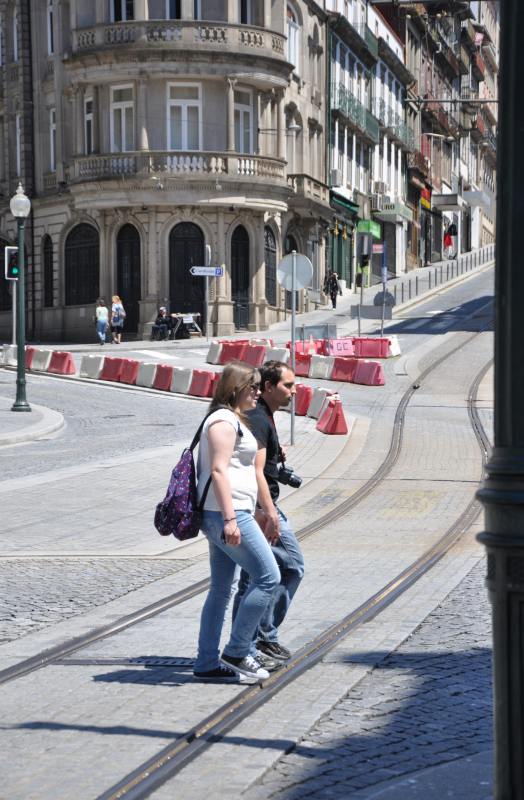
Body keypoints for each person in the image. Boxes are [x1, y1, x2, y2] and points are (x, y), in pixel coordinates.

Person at [194, 362, 281, 682]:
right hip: (226, 515)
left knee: (221, 589)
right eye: (253, 387)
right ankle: (237, 650)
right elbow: (218, 471)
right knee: (268, 576)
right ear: (236, 388)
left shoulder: (232, 419)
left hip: (226, 513)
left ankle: (206, 662)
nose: (258, 392)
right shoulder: (223, 421)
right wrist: (231, 519)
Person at [233, 360, 305, 664]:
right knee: (292, 566)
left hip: (254, 507)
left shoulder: (262, 416)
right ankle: (261, 637)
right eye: (288, 385)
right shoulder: (260, 418)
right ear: (268, 387)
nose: (294, 390)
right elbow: (256, 470)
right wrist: (270, 512)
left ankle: (244, 645)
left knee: (251, 579)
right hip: (261, 509)